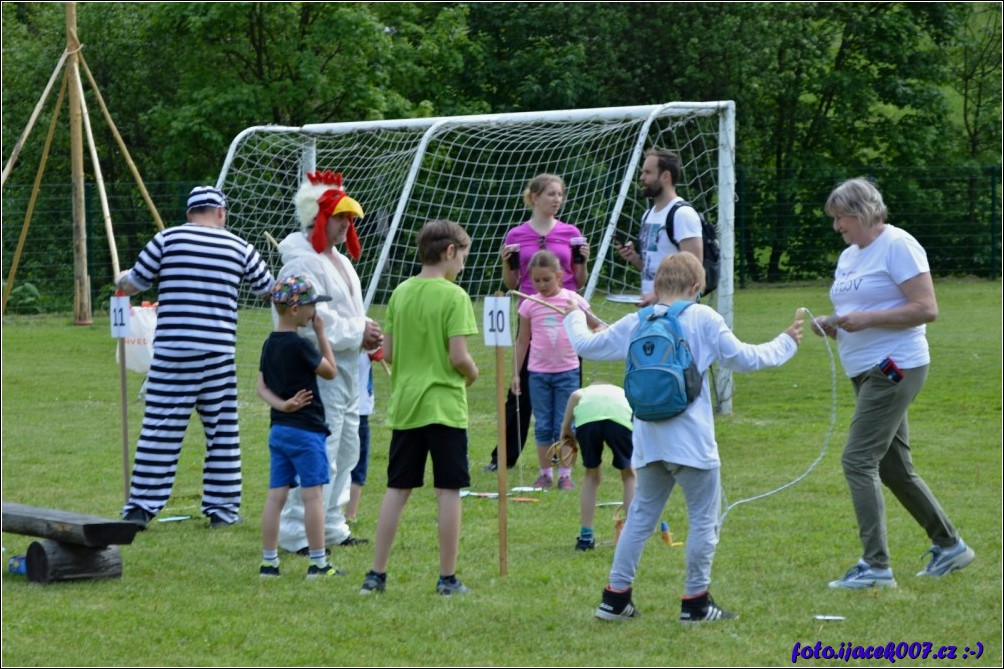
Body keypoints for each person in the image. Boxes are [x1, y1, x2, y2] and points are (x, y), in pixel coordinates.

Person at [563, 252, 803, 622]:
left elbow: (585, 345)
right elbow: (747, 358)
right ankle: (695, 602)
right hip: (693, 444)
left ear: (657, 286)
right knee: (703, 521)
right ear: (696, 288)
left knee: (639, 518)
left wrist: (573, 313)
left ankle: (615, 598)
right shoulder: (703, 317)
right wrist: (787, 342)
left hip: (649, 442)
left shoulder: (637, 320)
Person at [813, 178, 975, 589]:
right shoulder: (849, 256)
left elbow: (926, 308)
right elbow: (856, 309)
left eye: (841, 217)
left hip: (894, 367)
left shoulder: (899, 245)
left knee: (857, 460)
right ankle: (950, 546)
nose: (837, 226)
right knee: (893, 467)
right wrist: (833, 325)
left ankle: (876, 567)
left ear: (862, 211)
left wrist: (865, 320)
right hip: (864, 368)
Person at [117, 186, 273, 529]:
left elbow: (134, 284)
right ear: (220, 212)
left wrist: (121, 278)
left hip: (173, 352)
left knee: (160, 429)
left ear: (189, 214)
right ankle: (223, 510)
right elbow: (268, 289)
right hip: (218, 354)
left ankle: (141, 507)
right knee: (222, 433)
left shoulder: (166, 239)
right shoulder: (240, 246)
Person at [360, 219, 479, 596]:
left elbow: (389, 353)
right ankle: (447, 578)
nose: (462, 266)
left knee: (397, 489)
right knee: (448, 491)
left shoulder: (400, 292)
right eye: (462, 257)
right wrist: (472, 373)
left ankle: (376, 574)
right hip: (444, 408)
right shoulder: (454, 296)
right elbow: (458, 357)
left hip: (407, 406)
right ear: (449, 252)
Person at [274, 170, 382, 553]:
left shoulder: (338, 260)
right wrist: (358, 330)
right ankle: (296, 532)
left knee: (346, 448)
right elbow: (309, 321)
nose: (346, 225)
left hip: (347, 370)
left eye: (349, 218)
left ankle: (332, 524)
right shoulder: (300, 265)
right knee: (319, 451)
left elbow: (346, 312)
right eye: (339, 217)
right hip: (318, 371)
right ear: (319, 218)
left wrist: (366, 333)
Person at [486, 173, 589, 472]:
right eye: (551, 194)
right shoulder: (516, 235)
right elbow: (511, 283)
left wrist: (584, 260)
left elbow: (579, 280)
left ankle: (564, 455)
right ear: (534, 197)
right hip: (532, 316)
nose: (557, 199)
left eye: (560, 194)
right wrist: (506, 262)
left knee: (569, 387)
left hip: (566, 317)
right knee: (520, 389)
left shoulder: (571, 232)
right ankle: (504, 457)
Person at [257, 276, 341, 578]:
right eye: (310, 306)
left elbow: (260, 387)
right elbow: (330, 371)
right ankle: (318, 562)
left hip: (279, 430)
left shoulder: (270, 343)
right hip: (306, 431)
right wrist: (321, 334)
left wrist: (282, 406)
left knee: (275, 496)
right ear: (294, 309)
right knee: (313, 496)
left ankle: (269, 562)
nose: (314, 312)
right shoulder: (300, 344)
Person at [512, 250, 599, 490]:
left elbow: (597, 325)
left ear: (559, 276)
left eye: (547, 279)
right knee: (543, 425)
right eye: (536, 280)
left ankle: (565, 475)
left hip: (567, 372)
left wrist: (593, 334)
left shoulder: (573, 301)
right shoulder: (529, 304)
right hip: (538, 374)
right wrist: (515, 374)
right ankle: (545, 474)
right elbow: (522, 341)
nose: (541, 285)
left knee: (565, 424)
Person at [616, 149, 703, 306]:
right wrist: (634, 258)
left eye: (648, 172)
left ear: (665, 176)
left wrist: (658, 295)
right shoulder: (648, 215)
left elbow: (694, 271)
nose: (642, 178)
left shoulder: (682, 214)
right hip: (653, 309)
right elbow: (651, 269)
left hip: (675, 311)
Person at [558, 383, 636, 551]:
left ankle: (585, 537)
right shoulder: (621, 391)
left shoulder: (585, 392)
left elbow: (574, 396)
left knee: (591, 476)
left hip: (588, 421)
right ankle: (632, 534)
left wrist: (565, 430)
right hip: (620, 420)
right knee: (629, 474)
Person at [344, 349, 377, 524]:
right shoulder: (359, 336)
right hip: (356, 409)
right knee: (355, 465)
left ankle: (349, 514)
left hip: (353, 408)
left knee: (354, 464)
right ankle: (349, 514)